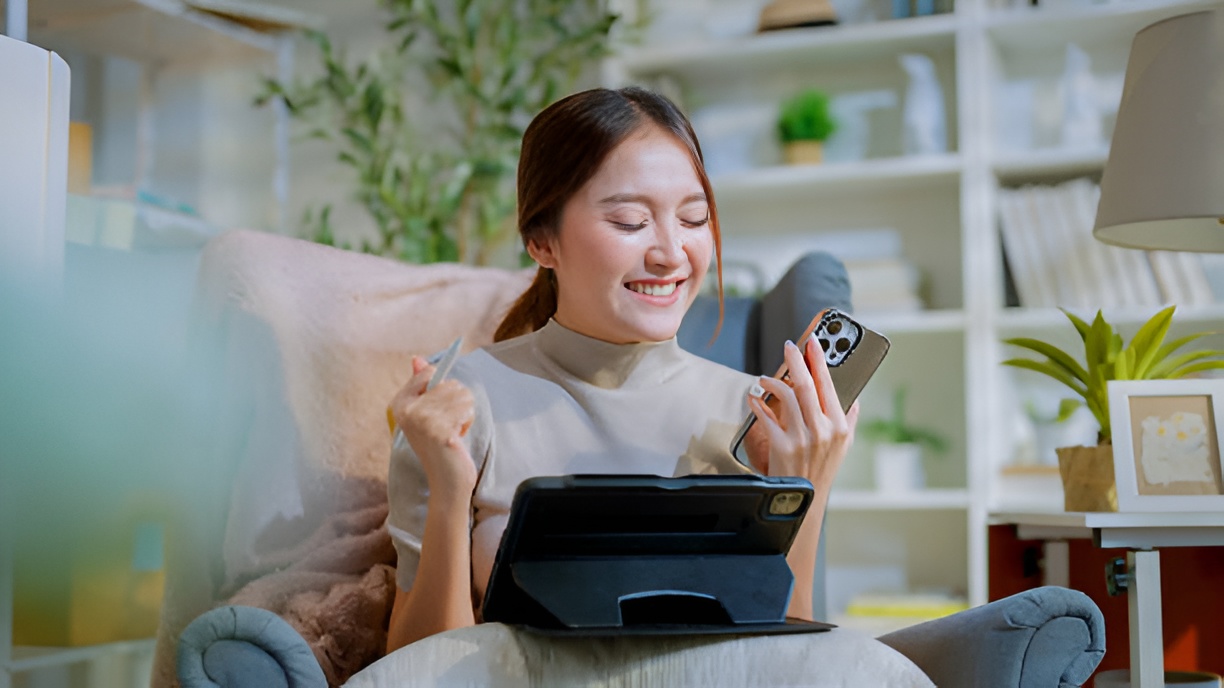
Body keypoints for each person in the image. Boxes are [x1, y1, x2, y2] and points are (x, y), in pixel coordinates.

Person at [384, 86, 858, 653]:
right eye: (631, 222)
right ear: (541, 241)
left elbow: (781, 662)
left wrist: (805, 484)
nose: (670, 252)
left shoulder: (756, 416)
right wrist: (448, 491)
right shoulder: (461, 404)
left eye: (694, 218)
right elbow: (410, 669)